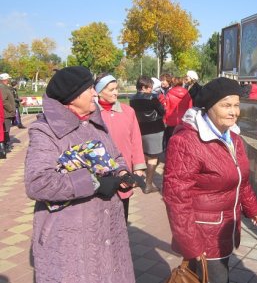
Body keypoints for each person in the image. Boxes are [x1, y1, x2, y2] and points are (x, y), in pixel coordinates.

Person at [24, 66, 135, 283]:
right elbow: (37, 183)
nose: (95, 93)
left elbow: (116, 156)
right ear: (72, 97)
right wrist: (94, 182)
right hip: (71, 237)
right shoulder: (45, 131)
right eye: (89, 89)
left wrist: (122, 174)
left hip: (107, 230)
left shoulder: (95, 121)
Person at [163, 77, 257, 283]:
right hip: (203, 234)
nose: (234, 111)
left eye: (236, 105)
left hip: (225, 229)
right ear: (209, 107)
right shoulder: (186, 141)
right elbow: (176, 199)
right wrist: (191, 245)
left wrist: (252, 207)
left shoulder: (232, 137)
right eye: (226, 105)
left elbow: (240, 179)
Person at [94, 73, 146, 221]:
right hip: (101, 176)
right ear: (98, 91)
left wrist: (139, 167)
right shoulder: (92, 114)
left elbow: (136, 140)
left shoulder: (128, 112)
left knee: (122, 217)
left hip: (124, 174)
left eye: (116, 88)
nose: (116, 93)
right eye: (111, 90)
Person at [130, 75, 165, 193]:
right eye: (149, 87)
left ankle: (136, 179)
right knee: (153, 157)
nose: (151, 89)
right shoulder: (153, 97)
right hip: (155, 129)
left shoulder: (132, 99)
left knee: (144, 154)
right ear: (144, 87)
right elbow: (162, 111)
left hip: (140, 129)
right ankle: (149, 185)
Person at [164, 76, 193, 143]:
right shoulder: (187, 94)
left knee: (170, 141)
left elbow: (166, 108)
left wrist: (165, 120)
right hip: (183, 121)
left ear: (173, 83)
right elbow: (190, 108)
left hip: (171, 121)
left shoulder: (169, 94)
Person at [0, 73, 15, 151]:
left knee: (6, 129)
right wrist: (10, 109)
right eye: (8, 79)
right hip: (5, 113)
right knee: (5, 129)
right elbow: (3, 100)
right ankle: (5, 145)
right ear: (5, 80)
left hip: (6, 112)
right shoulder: (2, 88)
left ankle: (5, 144)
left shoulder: (5, 87)